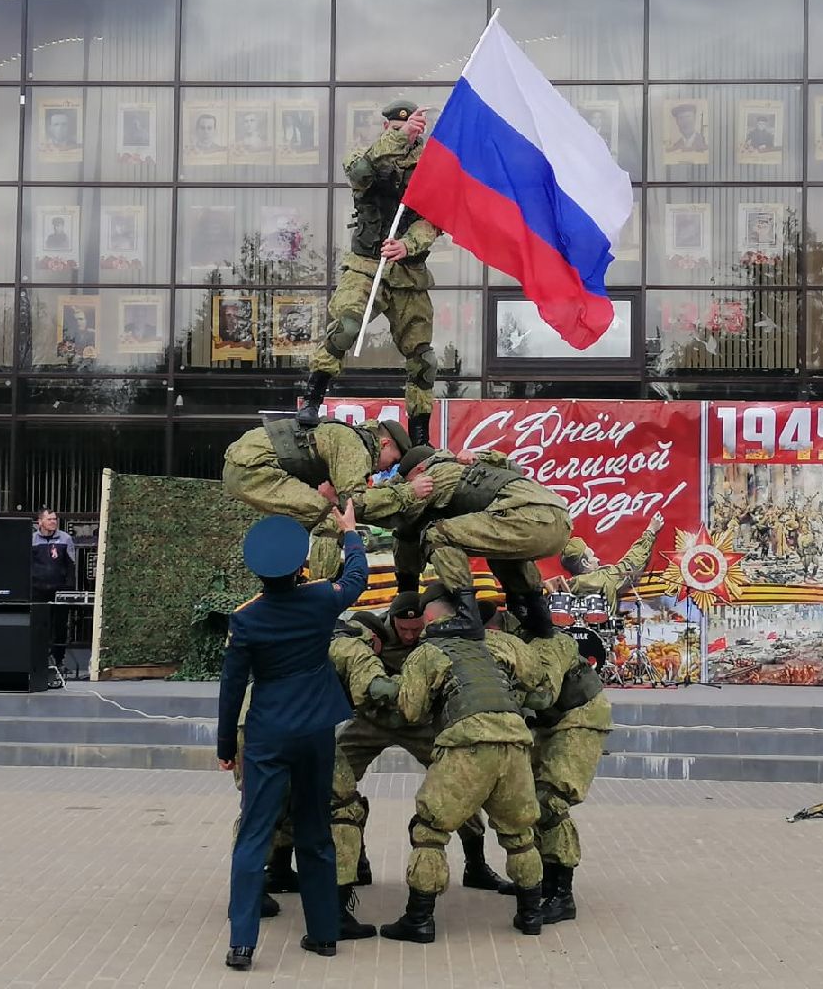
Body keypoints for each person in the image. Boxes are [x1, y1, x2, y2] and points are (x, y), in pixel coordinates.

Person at [216, 507, 368, 971]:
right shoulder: (322, 598)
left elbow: (232, 688)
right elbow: (357, 577)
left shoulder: (246, 620)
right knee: (315, 831)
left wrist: (226, 747)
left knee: (255, 835)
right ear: (300, 565)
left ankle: (243, 943)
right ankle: (323, 934)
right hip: (316, 731)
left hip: (267, 734)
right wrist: (350, 533)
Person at [379, 584, 550, 944]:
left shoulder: (429, 651)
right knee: (520, 835)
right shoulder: (498, 641)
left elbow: (411, 711)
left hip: (467, 744)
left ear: (429, 615)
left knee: (430, 831)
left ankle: (419, 919)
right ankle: (531, 914)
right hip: (515, 741)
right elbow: (536, 677)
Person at [331, 591, 511, 923]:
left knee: (459, 785)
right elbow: (349, 640)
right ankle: (355, 860)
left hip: (419, 724)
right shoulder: (373, 632)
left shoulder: (435, 636)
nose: (412, 635)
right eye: (405, 629)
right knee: (335, 784)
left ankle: (476, 864)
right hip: (371, 722)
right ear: (392, 620)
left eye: (418, 629)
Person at [300, 100, 443, 446]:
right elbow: (360, 173)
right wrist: (399, 140)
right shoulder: (365, 155)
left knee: (423, 358)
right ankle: (313, 400)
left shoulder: (433, 168)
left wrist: (407, 245)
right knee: (346, 326)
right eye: (395, 129)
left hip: (408, 274)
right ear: (385, 129)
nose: (402, 134)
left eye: (408, 130)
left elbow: (434, 220)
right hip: (365, 267)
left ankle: (419, 434)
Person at [496, 598, 614, 924]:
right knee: (528, 799)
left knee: (550, 802)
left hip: (581, 717)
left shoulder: (551, 643)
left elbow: (543, 694)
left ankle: (561, 895)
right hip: (549, 722)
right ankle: (540, 879)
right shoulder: (517, 644)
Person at [387, 446, 572, 641]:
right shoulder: (470, 468)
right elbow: (514, 467)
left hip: (529, 516)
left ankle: (467, 617)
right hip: (556, 518)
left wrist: (354, 507)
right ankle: (538, 619)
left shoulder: (437, 476)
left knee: (438, 534)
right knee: (501, 553)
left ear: (420, 470)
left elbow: (395, 511)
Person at [222, 416, 422, 580]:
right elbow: (356, 505)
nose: (389, 467)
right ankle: (320, 594)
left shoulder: (347, 437)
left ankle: (286, 581)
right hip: (253, 469)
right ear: (384, 444)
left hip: (245, 464)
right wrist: (409, 493)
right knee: (331, 516)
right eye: (394, 460)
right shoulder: (354, 445)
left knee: (308, 515)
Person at [559, 513, 664, 615]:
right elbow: (631, 563)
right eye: (592, 555)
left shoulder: (565, 587)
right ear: (585, 563)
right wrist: (650, 531)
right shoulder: (604, 578)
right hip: (602, 631)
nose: (598, 559)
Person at [31, 508, 77, 672]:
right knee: (39, 625)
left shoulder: (65, 538)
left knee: (60, 626)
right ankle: (39, 660)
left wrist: (69, 588)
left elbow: (71, 564)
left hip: (59, 590)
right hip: (37, 590)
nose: (53, 522)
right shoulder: (32, 540)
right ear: (40, 522)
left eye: (54, 519)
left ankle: (59, 661)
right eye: (49, 519)